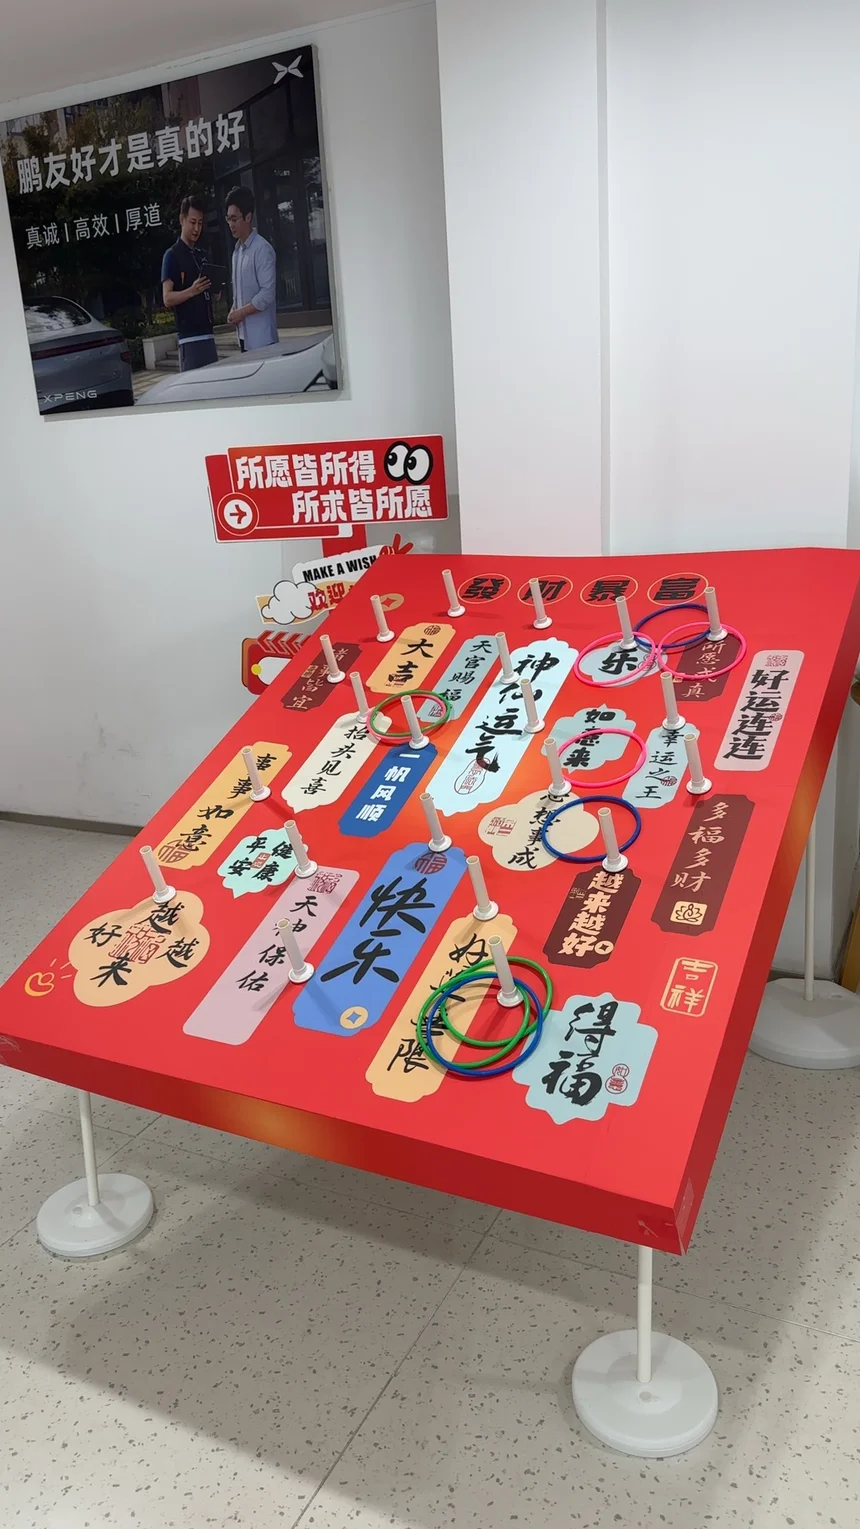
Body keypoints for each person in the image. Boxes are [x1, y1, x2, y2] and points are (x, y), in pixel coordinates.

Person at [161, 196, 218, 371]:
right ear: (182, 219)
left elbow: (214, 296)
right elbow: (167, 298)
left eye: (200, 223)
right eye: (193, 222)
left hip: (209, 335)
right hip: (189, 339)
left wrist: (216, 287)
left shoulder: (202, 255)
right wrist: (192, 290)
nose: (196, 228)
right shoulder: (172, 255)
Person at [225, 186, 278, 350]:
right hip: (243, 338)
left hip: (262, 339)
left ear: (248, 217)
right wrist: (234, 310)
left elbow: (267, 293)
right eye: (228, 219)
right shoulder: (237, 252)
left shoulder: (262, 249)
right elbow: (241, 294)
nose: (231, 224)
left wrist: (241, 313)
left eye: (234, 219)